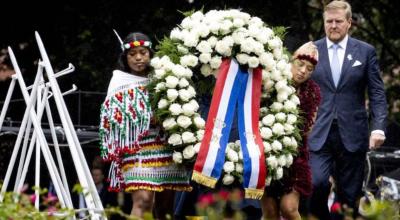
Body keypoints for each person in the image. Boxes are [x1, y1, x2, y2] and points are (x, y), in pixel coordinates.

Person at [308, 1, 388, 219]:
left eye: (338, 21)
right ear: (324, 23)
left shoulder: (365, 51)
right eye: (329, 21)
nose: (333, 26)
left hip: (353, 133)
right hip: (318, 131)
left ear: (349, 23)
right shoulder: (311, 51)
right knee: (316, 184)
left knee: (349, 196)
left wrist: (378, 127)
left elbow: (377, 94)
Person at [99, 32, 191, 218]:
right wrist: (143, 118)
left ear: (150, 54)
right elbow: (109, 118)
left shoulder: (165, 79)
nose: (138, 58)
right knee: (144, 200)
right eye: (132, 54)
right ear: (125, 57)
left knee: (165, 207)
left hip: (166, 146)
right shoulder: (118, 81)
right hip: (135, 148)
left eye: (143, 52)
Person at [261, 42, 321, 220]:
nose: (303, 71)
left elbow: (308, 129)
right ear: (291, 61)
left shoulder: (312, 93)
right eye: (300, 64)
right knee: (270, 213)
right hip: (268, 155)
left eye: (309, 69)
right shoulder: (272, 82)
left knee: (288, 208)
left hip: (295, 157)